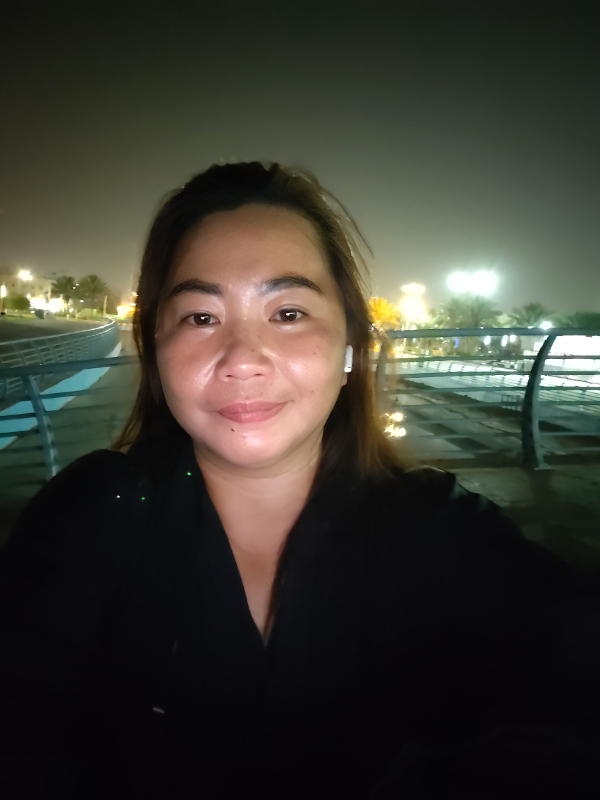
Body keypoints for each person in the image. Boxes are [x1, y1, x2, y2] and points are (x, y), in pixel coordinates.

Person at [0, 161, 598, 800]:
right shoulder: (89, 517)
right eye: (200, 317)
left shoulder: (437, 529)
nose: (242, 360)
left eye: (287, 313)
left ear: (351, 347)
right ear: (156, 350)